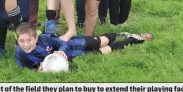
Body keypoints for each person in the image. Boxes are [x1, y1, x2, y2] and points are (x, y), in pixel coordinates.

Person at [15, 23, 151, 71]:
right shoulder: (20, 53)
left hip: (72, 44)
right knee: (102, 51)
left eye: (29, 40)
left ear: (35, 38)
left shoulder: (44, 39)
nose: (26, 44)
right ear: (17, 40)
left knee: (102, 41)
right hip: (72, 57)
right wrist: (38, 71)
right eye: (21, 41)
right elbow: (25, 69)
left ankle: (117, 34)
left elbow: (63, 43)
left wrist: (61, 51)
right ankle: (133, 39)